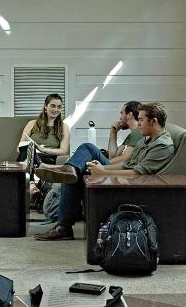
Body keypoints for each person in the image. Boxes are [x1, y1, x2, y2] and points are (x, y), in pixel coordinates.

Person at [33, 102, 174, 240]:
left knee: (86, 152)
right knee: (75, 174)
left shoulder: (162, 146)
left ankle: (63, 225)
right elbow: (126, 164)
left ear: (154, 121)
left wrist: (104, 172)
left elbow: (138, 173)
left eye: (142, 120)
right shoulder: (145, 140)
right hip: (124, 178)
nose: (138, 124)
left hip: (132, 187)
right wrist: (101, 168)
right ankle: (63, 224)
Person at [19, 93, 71, 160]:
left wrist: (43, 150)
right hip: (29, 156)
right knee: (25, 155)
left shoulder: (64, 127)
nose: (56, 110)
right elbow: (19, 148)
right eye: (53, 106)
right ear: (45, 106)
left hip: (47, 159)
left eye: (59, 107)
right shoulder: (32, 123)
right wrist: (32, 151)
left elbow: (63, 150)